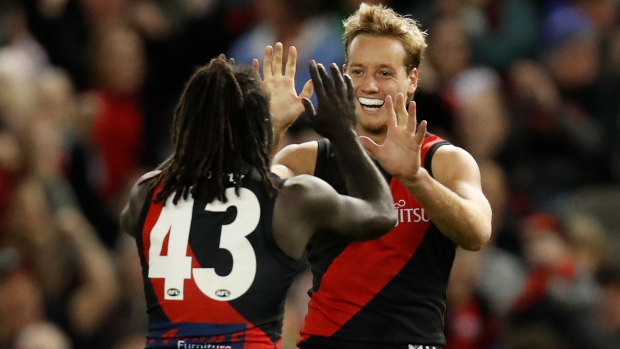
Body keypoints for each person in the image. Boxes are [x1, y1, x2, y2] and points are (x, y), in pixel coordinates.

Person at [119, 55, 397, 349]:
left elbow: (153, 203)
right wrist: (343, 132)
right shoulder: (293, 199)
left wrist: (206, 126)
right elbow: (382, 213)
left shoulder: (146, 193)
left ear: (186, 121)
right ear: (256, 125)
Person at [270, 3, 492, 348]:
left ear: (413, 79)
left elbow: (477, 233)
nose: (369, 85)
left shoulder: (444, 161)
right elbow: (247, 213)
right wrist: (273, 128)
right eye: (358, 71)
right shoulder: (307, 159)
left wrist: (416, 178)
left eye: (385, 73)